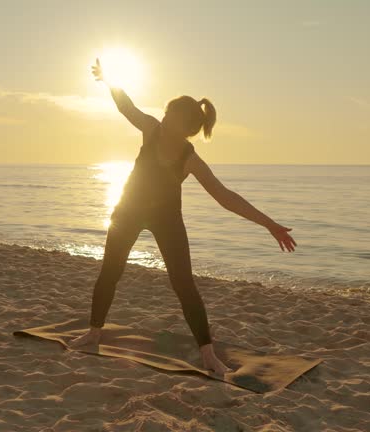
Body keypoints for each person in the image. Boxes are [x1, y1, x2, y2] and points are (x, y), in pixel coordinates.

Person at [69, 58, 297, 375]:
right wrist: (109, 81)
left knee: (183, 284)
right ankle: (94, 333)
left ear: (186, 126)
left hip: (167, 220)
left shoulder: (190, 158)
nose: (162, 118)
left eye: (170, 115)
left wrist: (269, 224)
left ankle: (207, 354)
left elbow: (225, 196)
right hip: (129, 212)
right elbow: (127, 107)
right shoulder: (150, 129)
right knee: (111, 271)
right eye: (164, 112)